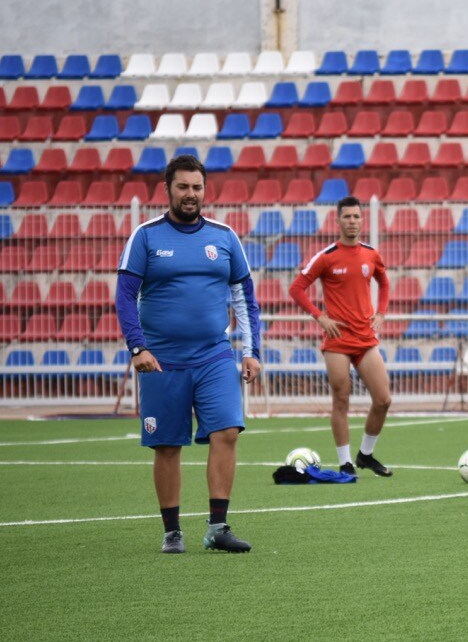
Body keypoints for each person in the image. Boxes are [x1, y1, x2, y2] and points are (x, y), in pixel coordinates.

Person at [115, 154, 261, 554]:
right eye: (183, 187)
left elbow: (244, 297)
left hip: (214, 355)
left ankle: (218, 527)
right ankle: (172, 531)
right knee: (167, 445)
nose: (190, 194)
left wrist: (251, 351)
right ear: (168, 189)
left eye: (197, 187)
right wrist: (137, 346)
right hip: (161, 358)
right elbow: (125, 296)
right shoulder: (145, 236)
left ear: (204, 190)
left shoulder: (224, 236)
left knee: (227, 431)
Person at [288, 196, 394, 477]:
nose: (352, 221)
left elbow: (384, 281)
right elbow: (297, 288)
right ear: (338, 221)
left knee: (383, 400)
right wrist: (319, 317)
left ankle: (366, 455)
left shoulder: (371, 254)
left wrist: (381, 312)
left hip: (365, 339)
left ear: (362, 220)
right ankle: (345, 462)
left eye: (356, 217)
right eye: (347, 217)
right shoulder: (326, 256)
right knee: (341, 399)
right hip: (337, 341)